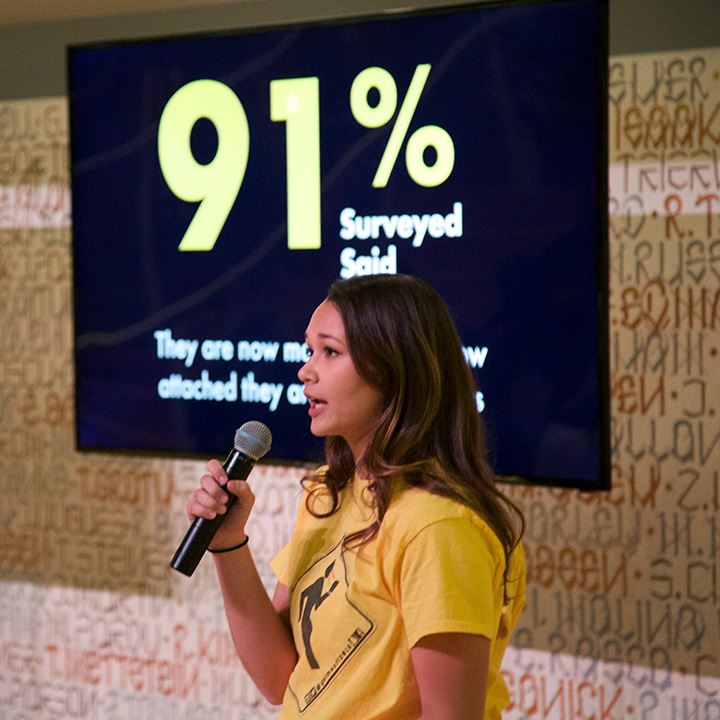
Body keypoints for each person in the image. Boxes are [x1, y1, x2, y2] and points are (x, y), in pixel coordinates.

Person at [187, 273, 525, 719]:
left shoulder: (439, 527)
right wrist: (227, 544)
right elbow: (279, 678)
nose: (305, 370)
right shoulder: (332, 488)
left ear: (392, 368)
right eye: (310, 351)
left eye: (330, 352)